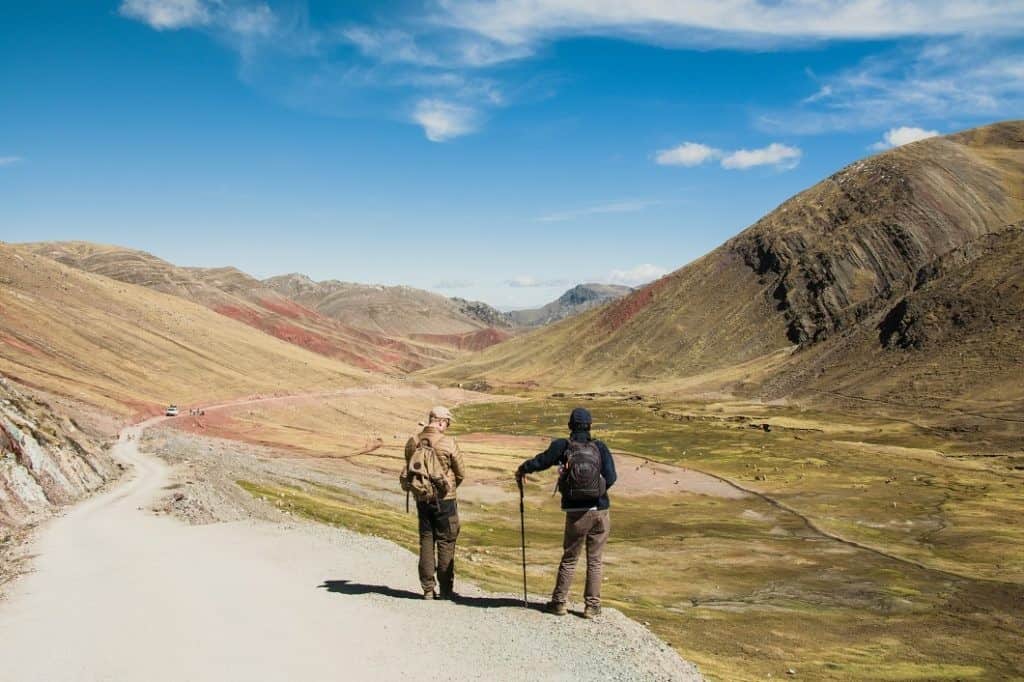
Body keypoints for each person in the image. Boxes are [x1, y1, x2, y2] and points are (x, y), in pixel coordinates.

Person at [516, 407, 617, 618]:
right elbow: (612, 476)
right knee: (595, 560)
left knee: (570, 558)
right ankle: (592, 606)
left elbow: (542, 461)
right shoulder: (600, 447)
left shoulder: (563, 446)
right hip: (600, 510)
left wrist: (523, 468)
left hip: (576, 512)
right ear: (590, 426)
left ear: (570, 426)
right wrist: (596, 492)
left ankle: (559, 603)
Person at [401, 406, 465, 600]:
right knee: (446, 541)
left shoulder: (413, 442)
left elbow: (411, 468)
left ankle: (428, 588)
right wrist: (450, 488)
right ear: (441, 421)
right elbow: (461, 473)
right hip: (445, 500)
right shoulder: (448, 443)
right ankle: (446, 590)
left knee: (426, 540)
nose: (447, 426)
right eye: (447, 422)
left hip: (421, 498)